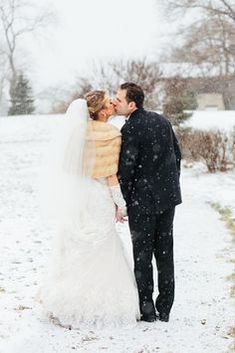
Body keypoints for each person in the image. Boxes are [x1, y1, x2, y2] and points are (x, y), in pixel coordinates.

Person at [38, 91, 140, 329]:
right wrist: (122, 206)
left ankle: (68, 301)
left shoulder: (77, 133)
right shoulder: (112, 134)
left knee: (76, 246)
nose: (112, 105)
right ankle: (105, 304)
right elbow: (110, 174)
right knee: (101, 246)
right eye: (108, 104)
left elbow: (70, 167)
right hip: (99, 197)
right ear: (102, 111)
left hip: (79, 196)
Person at [114, 82, 182, 323]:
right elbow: (177, 155)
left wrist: (121, 201)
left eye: (119, 100)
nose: (115, 102)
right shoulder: (162, 121)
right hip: (167, 198)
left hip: (142, 202)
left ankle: (147, 309)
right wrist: (172, 185)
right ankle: (165, 307)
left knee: (142, 254)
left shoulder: (130, 129)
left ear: (132, 104)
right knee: (165, 252)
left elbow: (127, 169)